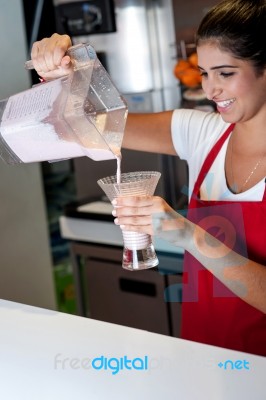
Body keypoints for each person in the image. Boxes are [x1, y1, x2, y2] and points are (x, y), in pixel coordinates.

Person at [31, 0, 266, 356]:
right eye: (204, 73)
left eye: (225, 73)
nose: (210, 90)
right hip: (206, 354)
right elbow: (97, 127)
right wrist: (69, 71)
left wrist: (186, 232)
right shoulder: (203, 133)